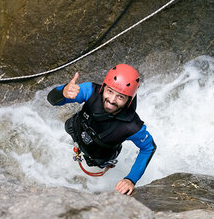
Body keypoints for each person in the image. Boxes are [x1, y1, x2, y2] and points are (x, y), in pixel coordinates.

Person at [47, 64, 156, 195]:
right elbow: (52, 100)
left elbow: (148, 148)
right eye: (109, 91)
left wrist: (131, 179)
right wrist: (63, 91)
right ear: (103, 87)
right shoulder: (91, 91)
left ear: (129, 100)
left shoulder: (132, 126)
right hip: (74, 132)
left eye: (120, 96)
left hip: (98, 157)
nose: (111, 100)